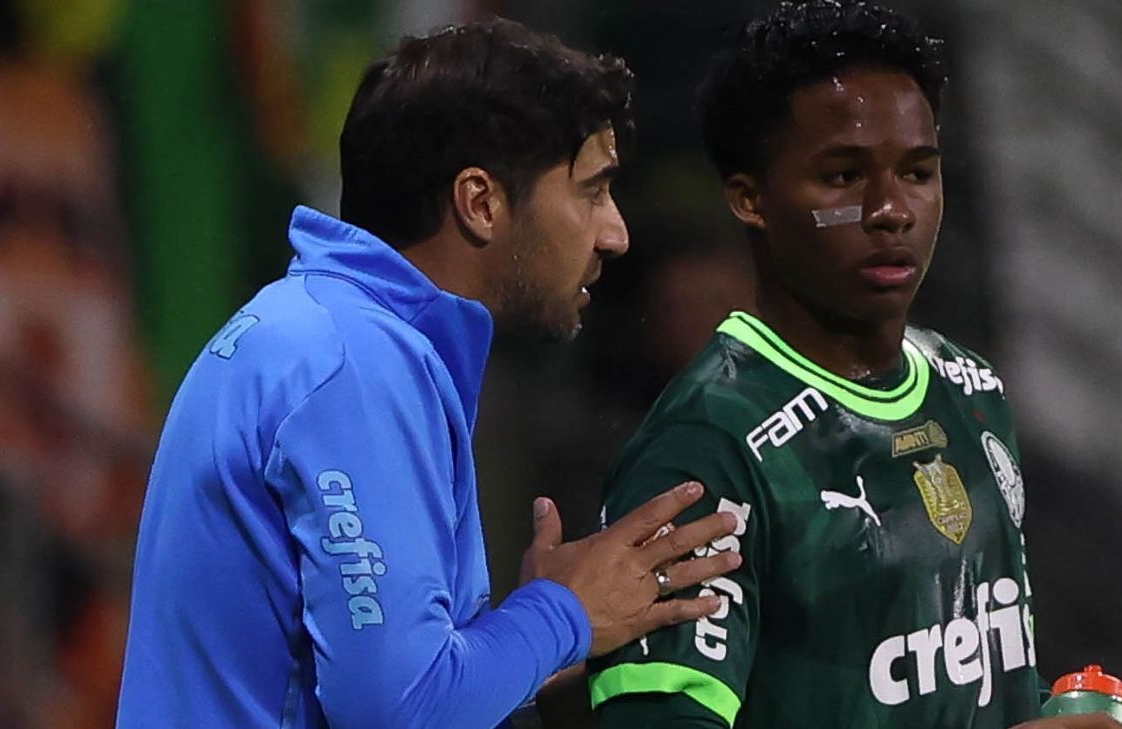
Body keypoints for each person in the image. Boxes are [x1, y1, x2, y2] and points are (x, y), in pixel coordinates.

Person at [116, 19, 743, 729]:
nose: (616, 233)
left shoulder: (326, 333)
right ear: (481, 202)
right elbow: (401, 711)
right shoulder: (353, 366)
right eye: (591, 191)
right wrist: (562, 612)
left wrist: (538, 636)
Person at [587, 2, 1122, 728]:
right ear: (750, 199)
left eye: (918, 172)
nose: (891, 210)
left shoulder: (972, 388)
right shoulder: (707, 448)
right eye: (843, 177)